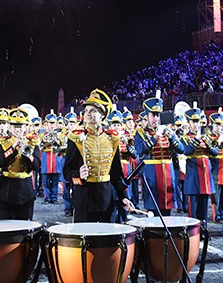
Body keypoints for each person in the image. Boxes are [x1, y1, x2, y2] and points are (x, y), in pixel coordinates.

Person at [63, 89, 135, 223]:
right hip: (84, 199)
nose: (88, 114)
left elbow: (116, 173)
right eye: (86, 111)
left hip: (105, 199)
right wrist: (78, 174)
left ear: (102, 115)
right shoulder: (75, 138)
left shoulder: (112, 139)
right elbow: (67, 171)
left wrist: (123, 196)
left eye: (93, 111)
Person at [133, 96, 182, 217]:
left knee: (167, 212)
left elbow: (182, 150)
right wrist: (156, 136)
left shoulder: (167, 132)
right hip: (152, 176)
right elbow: (140, 150)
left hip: (168, 176)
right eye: (153, 115)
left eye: (158, 115)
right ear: (147, 116)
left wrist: (171, 137)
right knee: (152, 212)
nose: (156, 118)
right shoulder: (141, 133)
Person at [0, 108, 40, 219]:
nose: (18, 129)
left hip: (25, 188)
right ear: (10, 127)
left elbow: (37, 166)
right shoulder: (2, 142)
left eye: (21, 126)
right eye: (15, 126)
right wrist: (14, 147)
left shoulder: (32, 142)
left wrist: (28, 154)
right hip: (8, 187)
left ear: (26, 127)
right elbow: (0, 161)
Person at [178, 107, 218, 222]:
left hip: (205, 175)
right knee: (193, 210)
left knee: (204, 209)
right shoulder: (185, 138)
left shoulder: (207, 136)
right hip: (193, 176)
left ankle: (203, 232)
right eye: (194, 122)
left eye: (198, 121)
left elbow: (215, 153)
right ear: (188, 123)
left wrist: (208, 146)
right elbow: (185, 151)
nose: (196, 124)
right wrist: (196, 140)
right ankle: (193, 235)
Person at [39, 111, 61, 204]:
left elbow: (61, 147)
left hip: (56, 162)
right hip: (45, 162)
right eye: (50, 124)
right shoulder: (42, 135)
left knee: (55, 182)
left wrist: (57, 139)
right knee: (46, 182)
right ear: (46, 125)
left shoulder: (60, 135)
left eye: (53, 123)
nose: (51, 126)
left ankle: (54, 197)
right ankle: (47, 197)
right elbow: (39, 148)